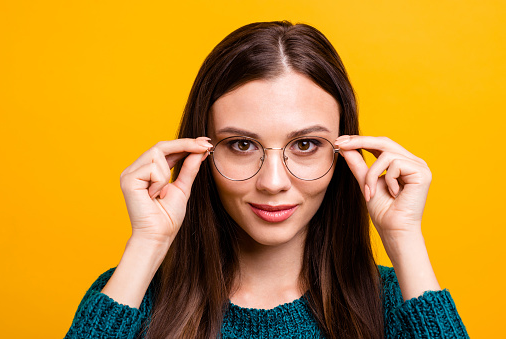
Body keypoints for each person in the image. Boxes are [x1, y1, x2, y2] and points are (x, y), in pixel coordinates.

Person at [65, 21, 469, 338]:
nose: (273, 182)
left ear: (345, 152)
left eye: (306, 144)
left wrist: (404, 238)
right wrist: (147, 245)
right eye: (241, 145)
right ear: (201, 151)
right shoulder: (130, 299)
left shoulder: (396, 305)